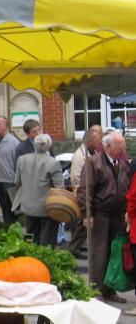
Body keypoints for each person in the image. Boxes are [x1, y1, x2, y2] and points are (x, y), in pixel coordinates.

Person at [78, 131, 130, 303]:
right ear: (108, 146)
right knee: (99, 253)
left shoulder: (122, 164)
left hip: (117, 215)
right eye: (119, 144)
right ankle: (96, 290)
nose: (123, 147)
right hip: (99, 215)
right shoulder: (94, 162)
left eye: (122, 144)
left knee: (113, 253)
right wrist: (87, 213)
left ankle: (109, 289)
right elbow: (86, 190)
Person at [13, 134, 64, 247]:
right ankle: (43, 263)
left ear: (34, 145)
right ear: (49, 146)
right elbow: (59, 188)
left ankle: (30, 260)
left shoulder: (22, 160)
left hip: (28, 206)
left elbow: (16, 182)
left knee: (30, 239)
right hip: (47, 208)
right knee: (47, 243)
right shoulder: (53, 162)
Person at [68, 125, 102, 258]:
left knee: (83, 226)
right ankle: (72, 249)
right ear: (89, 141)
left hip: (90, 194)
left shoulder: (91, 151)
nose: (100, 143)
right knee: (83, 225)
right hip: (83, 195)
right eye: (97, 140)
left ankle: (73, 248)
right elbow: (76, 177)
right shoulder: (79, 156)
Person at [0, 116, 21, 225]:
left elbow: (18, 163)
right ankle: (8, 231)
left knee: (11, 210)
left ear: (6, 126)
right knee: (4, 209)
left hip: (9, 182)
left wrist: (18, 181)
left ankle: (13, 232)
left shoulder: (13, 142)